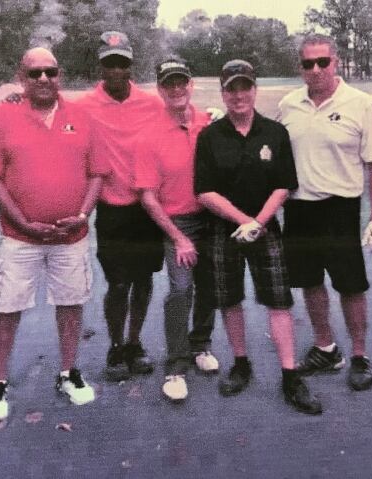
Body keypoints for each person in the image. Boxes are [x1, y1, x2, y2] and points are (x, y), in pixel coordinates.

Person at [0, 48, 104, 421]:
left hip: (71, 234)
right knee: (8, 307)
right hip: (19, 237)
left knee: (70, 303)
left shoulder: (81, 116)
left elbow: (97, 172)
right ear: (22, 77)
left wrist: (82, 214)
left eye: (50, 72)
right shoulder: (2, 116)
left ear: (60, 74)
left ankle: (68, 372)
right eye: (35, 74)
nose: (44, 79)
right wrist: (20, 221)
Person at [194, 59, 322, 414]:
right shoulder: (210, 136)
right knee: (230, 299)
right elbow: (204, 191)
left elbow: (284, 184)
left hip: (265, 228)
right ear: (223, 92)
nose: (238, 95)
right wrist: (241, 221)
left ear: (255, 89)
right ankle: (241, 363)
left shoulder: (274, 133)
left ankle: (289, 373)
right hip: (224, 229)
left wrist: (259, 222)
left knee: (278, 300)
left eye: (245, 87)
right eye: (231, 88)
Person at [277, 34, 372, 391]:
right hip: (299, 207)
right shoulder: (289, 104)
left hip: (340, 207)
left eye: (323, 61)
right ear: (301, 67)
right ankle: (326, 347)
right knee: (309, 281)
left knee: (351, 286)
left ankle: (359, 355)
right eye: (309, 63)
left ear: (335, 62)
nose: (316, 69)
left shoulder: (359, 102)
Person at [75, 31, 164, 381]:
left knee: (143, 280)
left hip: (147, 207)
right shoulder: (84, 105)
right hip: (112, 207)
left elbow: (181, 116)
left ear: (130, 66)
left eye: (122, 63)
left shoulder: (150, 103)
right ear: (101, 66)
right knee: (118, 284)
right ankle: (115, 345)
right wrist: (15, 98)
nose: (116, 70)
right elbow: (46, 105)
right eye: (110, 63)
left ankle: (134, 342)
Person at [134, 57, 219, 402]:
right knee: (181, 290)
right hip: (178, 222)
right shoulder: (149, 135)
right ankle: (175, 364)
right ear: (159, 89)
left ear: (191, 84)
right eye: (168, 83)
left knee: (211, 285)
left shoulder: (209, 125)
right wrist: (179, 237)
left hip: (212, 217)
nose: (176, 89)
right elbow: (148, 198)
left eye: (181, 81)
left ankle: (201, 345)